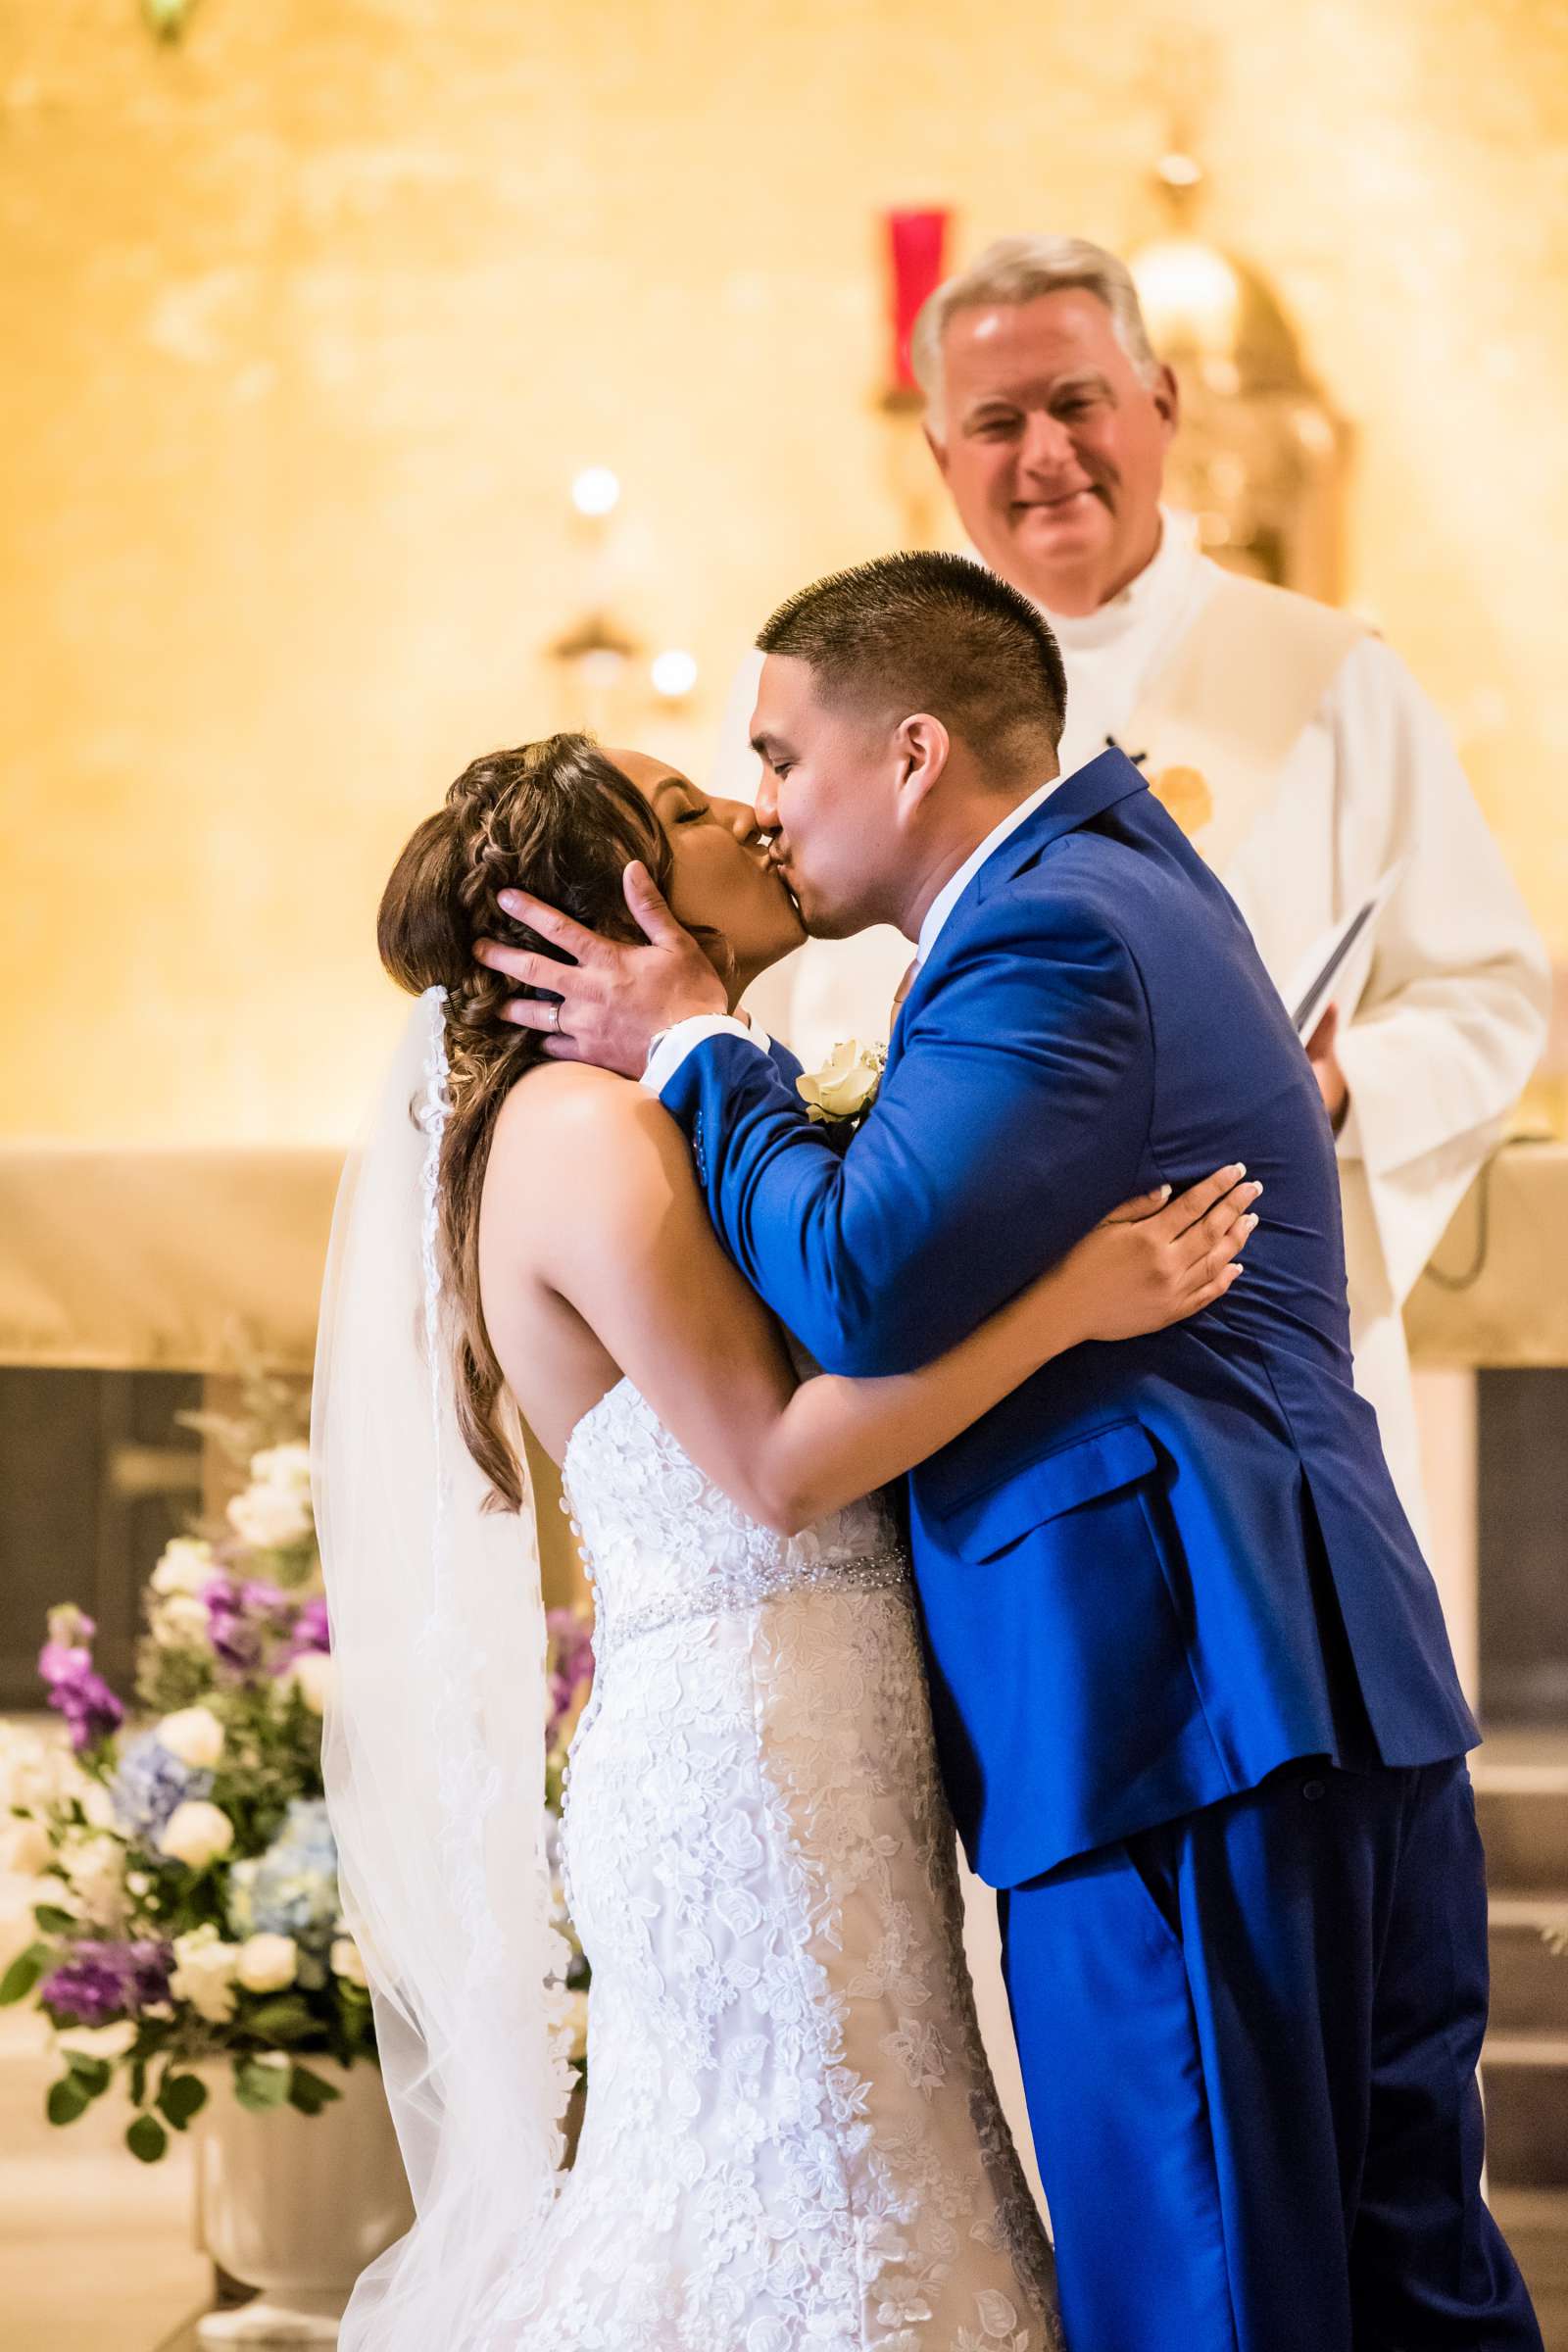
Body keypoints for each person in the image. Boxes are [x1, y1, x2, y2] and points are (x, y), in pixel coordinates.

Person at [481, 553, 1543, 2352]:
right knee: (1400, 2271)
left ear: (906, 757)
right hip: (1278, 1689)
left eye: (775, 755)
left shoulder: (1047, 929)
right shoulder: (1117, 890)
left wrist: (695, 1048)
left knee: (1214, 2290)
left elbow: (861, 1275)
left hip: (1178, 1704)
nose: (760, 802)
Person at [315, 727, 1256, 2352]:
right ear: (588, 910)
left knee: (876, 2195)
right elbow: (772, 1464)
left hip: (815, 1733)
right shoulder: (583, 1136)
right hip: (749, 1768)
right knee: (802, 2224)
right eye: (683, 811)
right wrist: (1071, 1306)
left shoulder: (655, 1104)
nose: (749, 814)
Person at [710, 235, 1549, 1559]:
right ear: (939, 456)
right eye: (996, 422)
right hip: (956, 1343)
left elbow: (1492, 995)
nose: (1044, 454)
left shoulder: (1333, 681)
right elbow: (784, 983)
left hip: (1240, 1326)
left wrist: (1334, 1088)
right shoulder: (849, 703)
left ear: (1160, 407)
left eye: (1076, 403)